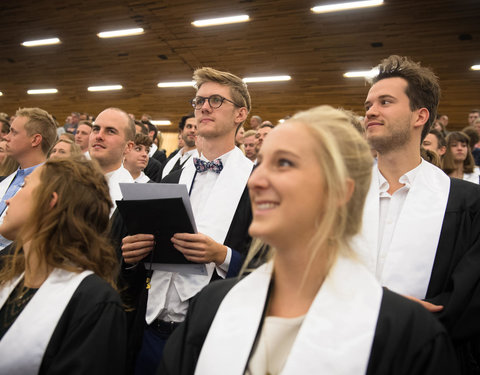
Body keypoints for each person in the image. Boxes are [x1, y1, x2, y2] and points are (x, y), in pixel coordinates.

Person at [159, 106, 459, 375]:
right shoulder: (214, 304)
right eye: (260, 163)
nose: (256, 180)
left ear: (340, 191)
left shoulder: (405, 332)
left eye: (285, 163)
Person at [121, 67, 253, 374]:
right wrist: (132, 255)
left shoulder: (257, 183)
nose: (204, 107)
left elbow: (274, 267)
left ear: (240, 114)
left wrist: (222, 255)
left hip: (209, 336)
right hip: (151, 327)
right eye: (199, 100)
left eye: (216, 100)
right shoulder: (172, 178)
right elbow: (143, 261)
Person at [355, 55, 480, 372]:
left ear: (419, 116)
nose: (370, 111)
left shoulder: (467, 203)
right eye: (369, 103)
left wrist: (415, 318)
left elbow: (469, 293)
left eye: (385, 102)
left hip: (426, 357)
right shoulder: (341, 195)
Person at [0, 158, 126, 374]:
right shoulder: (8, 273)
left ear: (50, 201)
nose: (9, 201)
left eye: (23, 186)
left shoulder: (94, 302)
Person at [0, 108, 57, 250]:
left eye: (14, 132)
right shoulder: (5, 180)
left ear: (35, 140)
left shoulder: (54, 184)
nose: (6, 137)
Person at [89, 107, 135, 217]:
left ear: (128, 147)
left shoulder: (132, 197)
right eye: (96, 129)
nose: (99, 136)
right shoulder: (66, 181)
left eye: (110, 131)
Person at [161, 114, 198, 179]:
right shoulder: (170, 160)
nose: (192, 130)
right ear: (181, 132)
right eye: (189, 126)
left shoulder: (204, 161)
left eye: (196, 127)